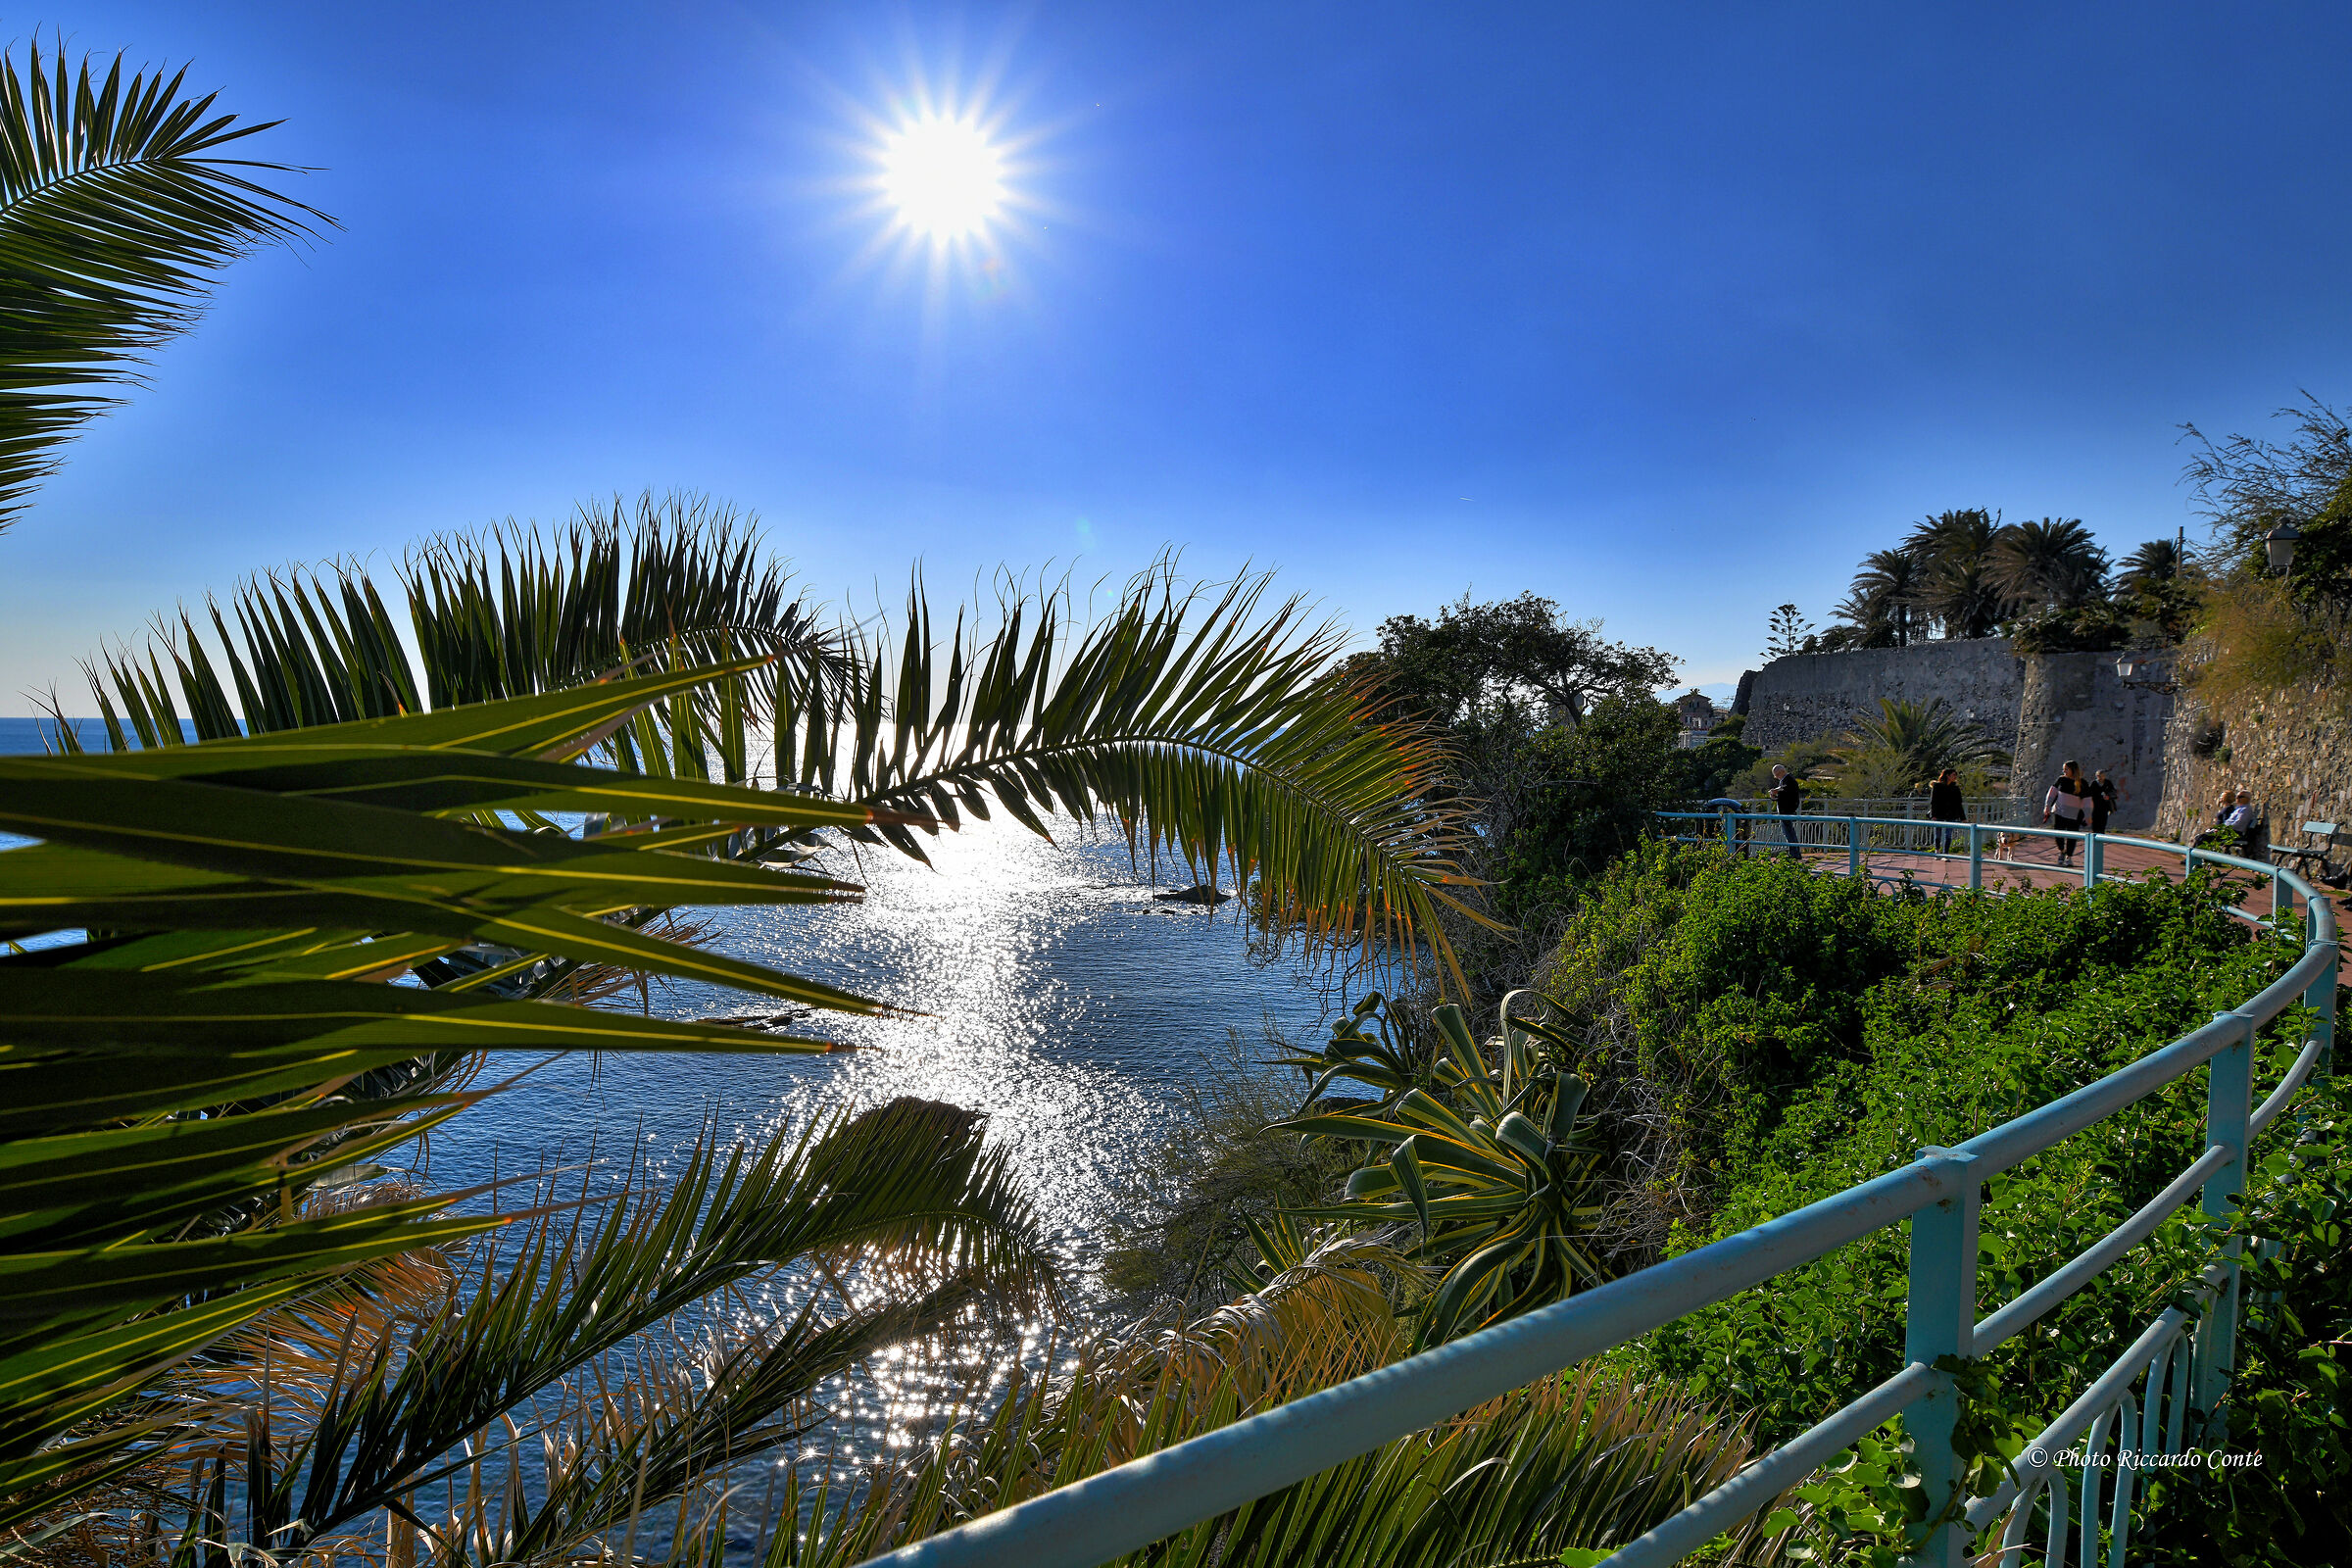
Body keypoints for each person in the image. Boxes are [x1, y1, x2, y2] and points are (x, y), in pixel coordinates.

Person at [2043, 759, 2090, 866]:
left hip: (2075, 814)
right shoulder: (2061, 780)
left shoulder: (2082, 783)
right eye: (2063, 769)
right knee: (2058, 834)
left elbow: (2087, 800)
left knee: (2072, 836)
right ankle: (2061, 851)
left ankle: (2069, 856)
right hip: (2059, 812)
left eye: (2066, 769)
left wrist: (2088, 814)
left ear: (2073, 770)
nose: (2064, 772)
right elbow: (2051, 794)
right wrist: (2047, 807)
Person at [1927, 767, 1965, 853]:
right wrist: (1933, 815)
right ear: (1948, 775)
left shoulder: (1955, 788)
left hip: (1951, 814)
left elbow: (1959, 804)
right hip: (1939, 814)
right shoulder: (1937, 786)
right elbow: (1933, 802)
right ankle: (1937, 850)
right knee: (1938, 834)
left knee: (1948, 835)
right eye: (1953, 775)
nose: (1955, 777)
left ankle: (1946, 853)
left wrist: (1963, 818)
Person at [1770, 763, 1802, 860]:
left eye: (1776, 774)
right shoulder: (1787, 780)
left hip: (1786, 811)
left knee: (1788, 832)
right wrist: (1775, 796)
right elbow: (1784, 794)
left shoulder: (1788, 780)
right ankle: (1795, 853)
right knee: (1789, 832)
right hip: (1786, 810)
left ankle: (1794, 854)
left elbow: (1785, 791)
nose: (1776, 777)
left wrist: (1776, 792)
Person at [2089, 769, 2119, 835]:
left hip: (2104, 807)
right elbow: (2089, 794)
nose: (2100, 777)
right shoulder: (2094, 783)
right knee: (2095, 824)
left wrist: (2108, 796)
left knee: (2102, 824)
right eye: (2098, 776)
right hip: (2095, 807)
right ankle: (2095, 838)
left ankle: (2101, 837)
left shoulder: (2108, 783)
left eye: (2102, 776)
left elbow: (2114, 793)